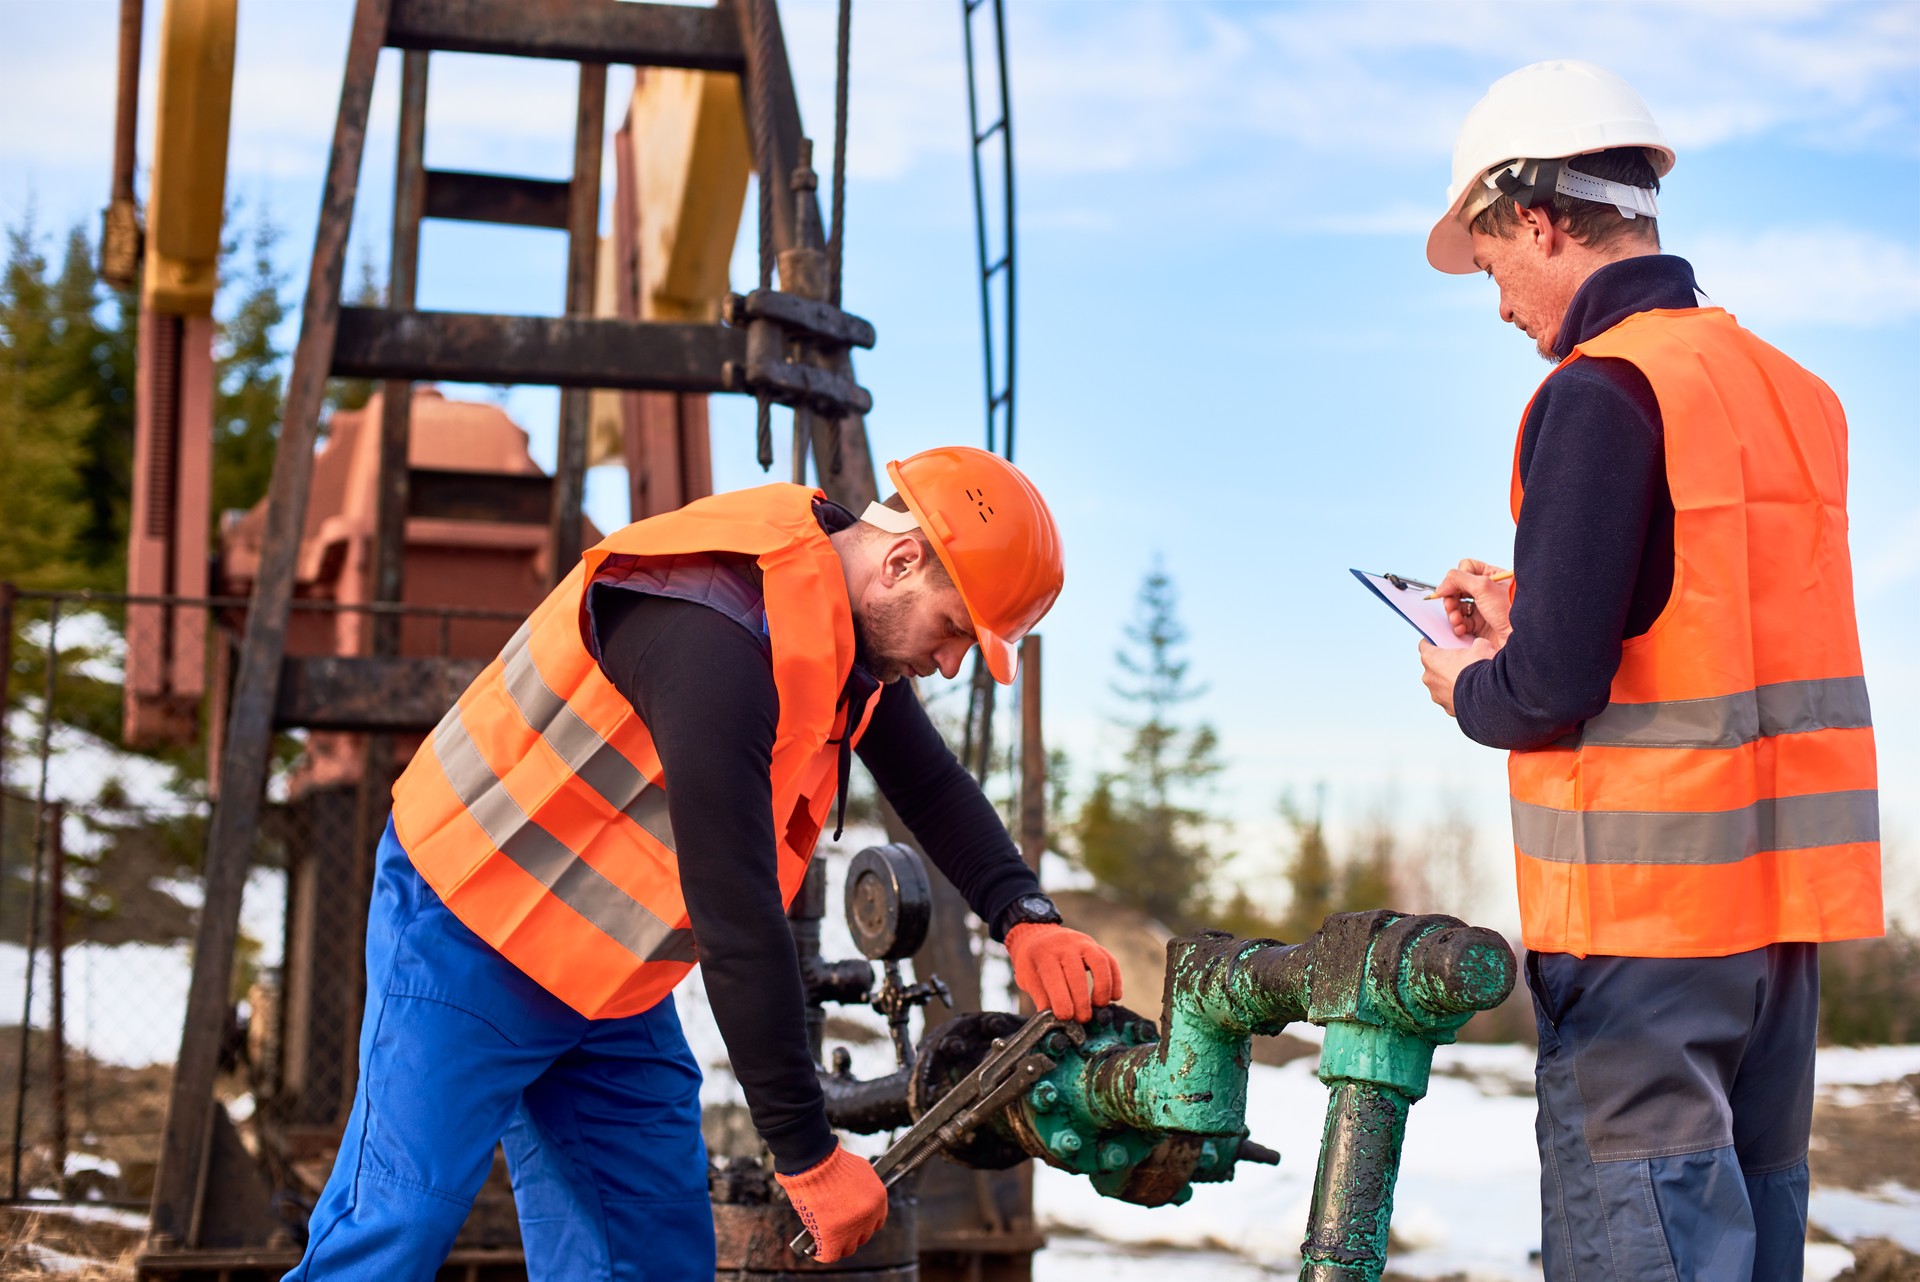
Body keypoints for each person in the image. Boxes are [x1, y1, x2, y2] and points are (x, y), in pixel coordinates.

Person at [284, 446, 1123, 1279]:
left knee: (646, 1257)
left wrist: (1025, 918)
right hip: (472, 923)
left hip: (607, 974)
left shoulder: (840, 626)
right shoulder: (714, 629)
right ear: (901, 560)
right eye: (952, 631)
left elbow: (931, 785)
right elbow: (737, 915)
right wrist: (806, 1155)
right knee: (394, 1230)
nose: (948, 663)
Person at [1415, 61, 1882, 1282]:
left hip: (1645, 943)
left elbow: (1549, 691)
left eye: (1492, 260)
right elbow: (1710, 615)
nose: (1500, 301)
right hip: (1776, 939)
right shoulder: (1795, 395)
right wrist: (1530, 607)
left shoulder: (1600, 389)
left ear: (1540, 218)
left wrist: (1466, 676)